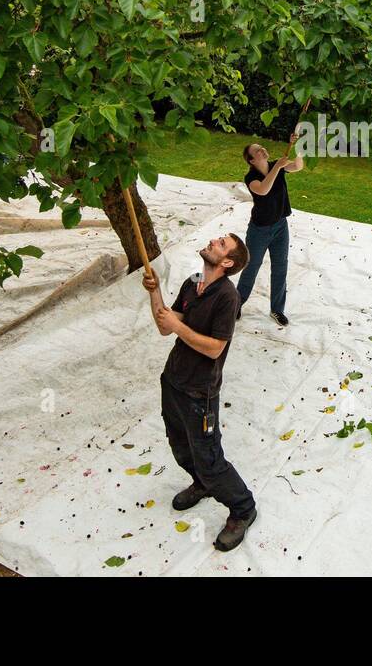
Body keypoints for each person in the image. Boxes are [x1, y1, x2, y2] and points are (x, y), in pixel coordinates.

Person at [141, 233, 257, 552]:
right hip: (173, 380)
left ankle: (244, 509)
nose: (212, 242)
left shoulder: (227, 298)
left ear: (228, 262)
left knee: (209, 458)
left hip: (199, 393)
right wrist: (154, 294)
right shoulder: (193, 284)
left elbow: (215, 348)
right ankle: (203, 484)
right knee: (179, 445)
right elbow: (166, 325)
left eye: (220, 244)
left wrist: (179, 328)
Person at [236, 137, 303, 326]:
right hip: (260, 230)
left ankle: (277, 310)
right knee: (251, 267)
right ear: (251, 160)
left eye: (262, 148)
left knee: (281, 267)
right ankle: (236, 304)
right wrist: (277, 167)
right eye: (257, 151)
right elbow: (264, 190)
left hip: (281, 226)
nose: (262, 150)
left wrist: (298, 144)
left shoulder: (278, 167)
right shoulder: (251, 178)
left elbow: (298, 166)